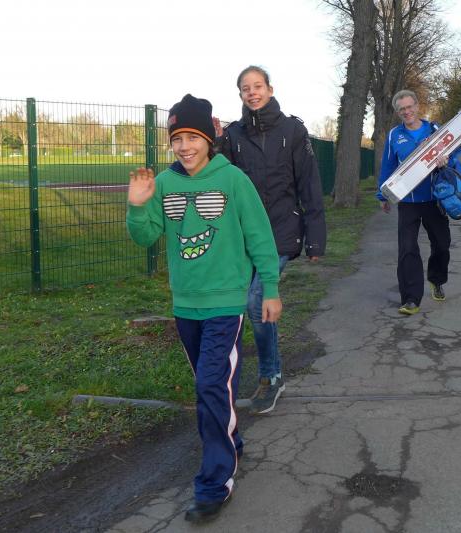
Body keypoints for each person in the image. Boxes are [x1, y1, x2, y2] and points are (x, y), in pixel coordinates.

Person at [126, 94, 281, 523]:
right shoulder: (164, 183)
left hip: (225, 304)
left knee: (211, 384)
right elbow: (145, 236)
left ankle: (215, 482)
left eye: (192, 137)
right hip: (185, 305)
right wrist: (138, 206)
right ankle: (231, 441)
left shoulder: (233, 181)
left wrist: (270, 288)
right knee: (211, 385)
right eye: (177, 139)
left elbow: (260, 237)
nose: (184, 147)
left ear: (209, 139)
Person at [216, 65, 326, 415]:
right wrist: (215, 143)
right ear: (240, 95)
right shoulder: (233, 135)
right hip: (243, 235)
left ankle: (271, 376)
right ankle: (225, 379)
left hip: (281, 231)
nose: (252, 92)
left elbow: (309, 183)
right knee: (239, 303)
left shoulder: (293, 130)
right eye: (245, 88)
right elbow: (219, 178)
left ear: (270, 89)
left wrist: (315, 238)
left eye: (258, 86)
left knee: (256, 301)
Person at [376, 89, 461, 316]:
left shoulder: (435, 130)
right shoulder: (394, 135)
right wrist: (383, 195)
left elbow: (459, 156)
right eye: (402, 109)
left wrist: (447, 161)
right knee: (407, 249)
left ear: (417, 106)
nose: (406, 112)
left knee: (442, 245)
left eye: (409, 107)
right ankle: (411, 298)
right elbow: (387, 166)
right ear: (398, 112)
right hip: (408, 202)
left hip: (435, 200)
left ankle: (436, 279)